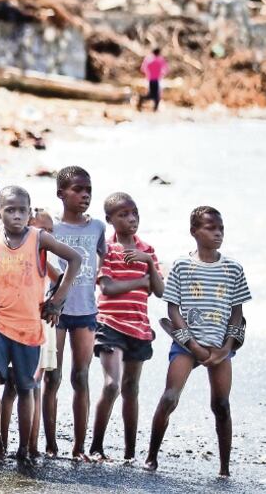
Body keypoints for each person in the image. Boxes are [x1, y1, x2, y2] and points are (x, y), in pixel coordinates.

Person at [0, 186, 81, 464]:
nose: (16, 215)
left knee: (25, 388)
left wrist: (57, 301)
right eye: (9, 210)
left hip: (27, 329)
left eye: (22, 210)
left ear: (29, 212)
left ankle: (23, 449)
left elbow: (75, 259)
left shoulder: (39, 238)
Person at [145, 206, 249, 477]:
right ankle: (151, 457)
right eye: (211, 228)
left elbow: (237, 312)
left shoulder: (233, 268)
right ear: (194, 232)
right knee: (169, 398)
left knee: (222, 406)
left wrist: (226, 348)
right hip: (186, 344)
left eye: (221, 229)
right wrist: (193, 346)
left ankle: (225, 468)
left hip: (220, 345)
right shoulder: (182, 265)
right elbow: (173, 310)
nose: (218, 234)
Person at [88, 192, 164, 461]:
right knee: (112, 385)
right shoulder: (107, 249)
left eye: (134, 213)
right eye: (123, 215)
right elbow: (107, 287)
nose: (131, 219)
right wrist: (139, 283)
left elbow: (159, 289)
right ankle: (96, 446)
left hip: (139, 327)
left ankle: (130, 452)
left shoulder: (147, 250)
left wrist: (148, 267)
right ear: (110, 220)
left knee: (131, 389)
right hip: (110, 324)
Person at [43, 165, 106, 460]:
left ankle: (80, 447)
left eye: (89, 190)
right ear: (61, 194)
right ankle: (51, 445)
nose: (85, 195)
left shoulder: (97, 227)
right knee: (51, 378)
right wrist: (60, 285)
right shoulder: (51, 226)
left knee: (80, 377)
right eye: (78, 190)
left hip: (85, 311)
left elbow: (101, 260)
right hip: (54, 310)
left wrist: (92, 282)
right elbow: (42, 260)